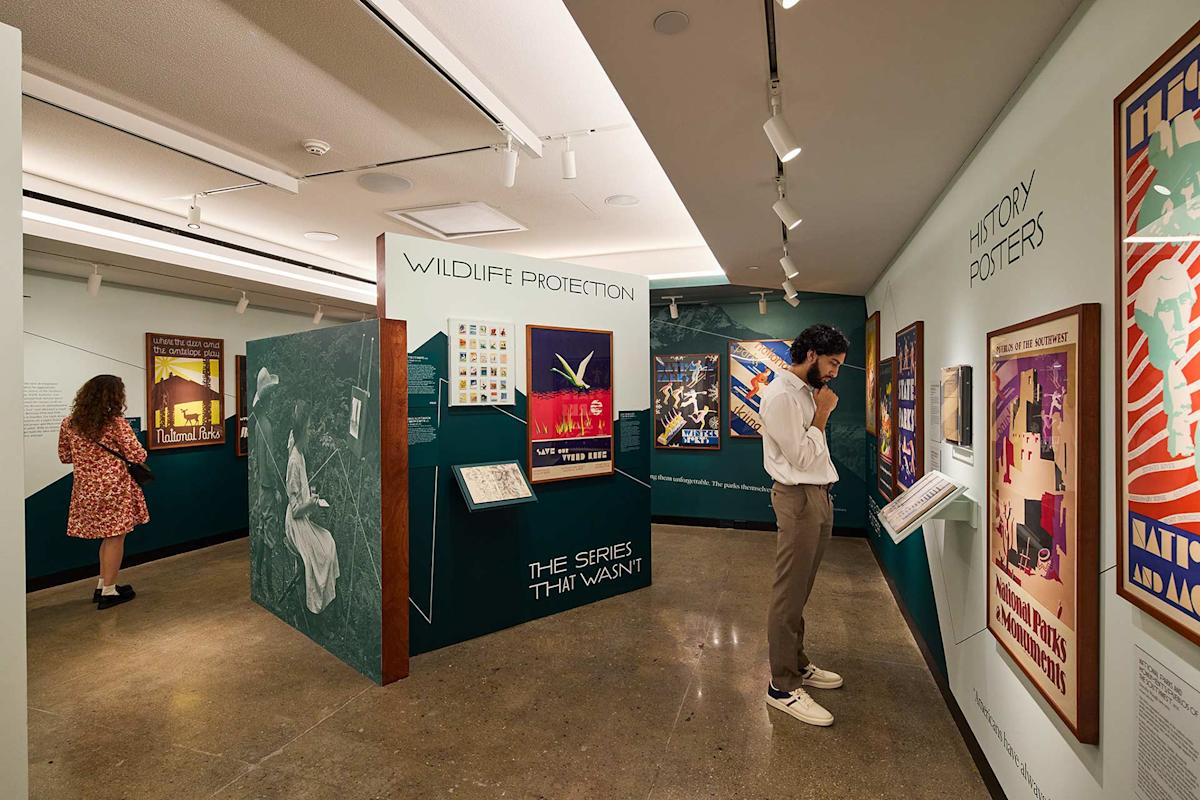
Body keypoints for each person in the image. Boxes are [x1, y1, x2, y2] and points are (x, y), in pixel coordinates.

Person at [758, 324, 849, 726]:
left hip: (816, 496)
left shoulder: (805, 394)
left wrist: (819, 409)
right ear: (811, 354)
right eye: (832, 363)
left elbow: (812, 454)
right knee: (788, 592)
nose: (834, 373)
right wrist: (825, 413)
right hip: (797, 498)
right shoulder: (781, 396)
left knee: (802, 589)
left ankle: (797, 663)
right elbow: (801, 457)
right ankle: (781, 685)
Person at [57, 375, 149, 610]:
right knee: (116, 537)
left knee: (107, 538)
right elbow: (138, 455)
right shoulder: (115, 423)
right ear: (115, 396)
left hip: (85, 489)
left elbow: (65, 456)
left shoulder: (69, 423)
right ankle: (109, 591)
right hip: (114, 489)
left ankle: (103, 584)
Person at [284, 400, 339, 614]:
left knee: (328, 541)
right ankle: (315, 607)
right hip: (295, 523)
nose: (310, 431)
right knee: (322, 554)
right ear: (301, 429)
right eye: (307, 426)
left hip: (301, 518)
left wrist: (310, 498)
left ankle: (325, 600)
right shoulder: (294, 462)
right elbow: (296, 509)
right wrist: (311, 504)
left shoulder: (296, 448)